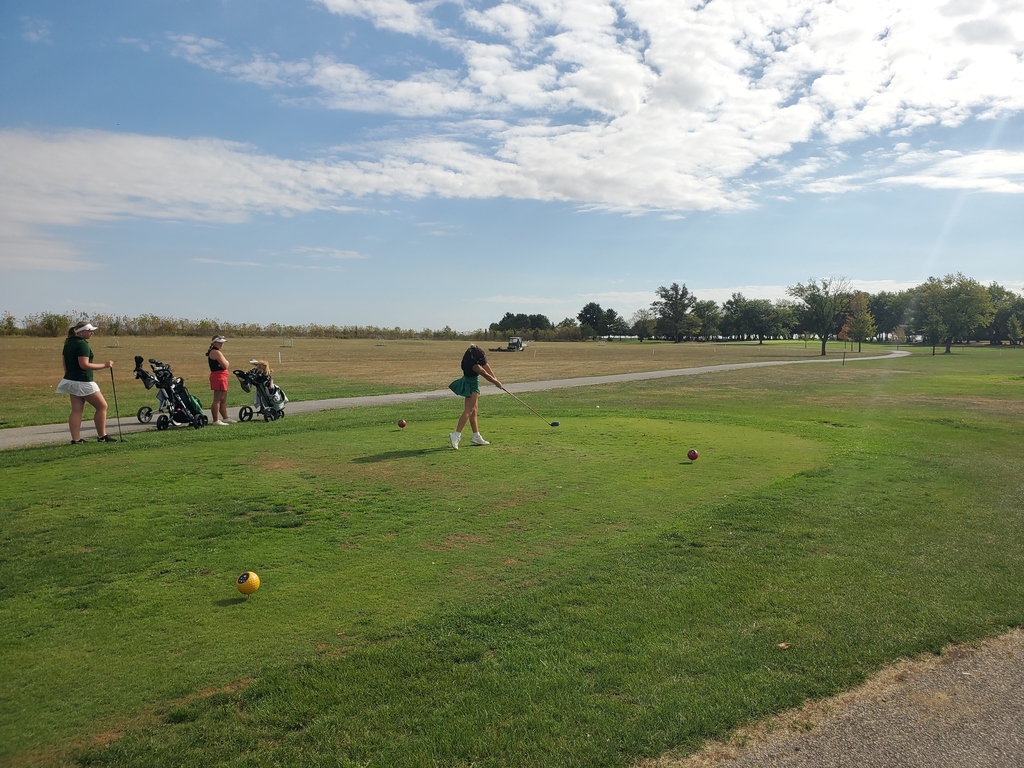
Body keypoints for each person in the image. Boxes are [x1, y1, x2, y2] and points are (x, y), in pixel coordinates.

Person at [56, 321, 116, 444]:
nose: (92, 333)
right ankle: (102, 436)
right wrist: (105, 365)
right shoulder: (82, 344)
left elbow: (64, 363)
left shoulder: (68, 343)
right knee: (102, 406)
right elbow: (84, 365)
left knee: (76, 409)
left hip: (70, 380)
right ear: (81, 331)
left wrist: (70, 374)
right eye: (89, 330)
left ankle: (76, 439)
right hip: (83, 381)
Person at [448, 344, 502, 449]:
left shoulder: (473, 355)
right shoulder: (474, 366)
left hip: (471, 382)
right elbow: (485, 374)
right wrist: (496, 383)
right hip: (471, 384)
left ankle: (476, 436)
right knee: (468, 411)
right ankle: (456, 435)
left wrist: (496, 379)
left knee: (474, 411)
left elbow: (486, 366)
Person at [207, 335, 231, 425]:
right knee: (217, 399)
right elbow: (225, 365)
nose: (222, 344)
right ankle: (216, 420)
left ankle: (225, 418)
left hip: (222, 376)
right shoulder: (215, 352)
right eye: (220, 343)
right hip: (218, 376)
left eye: (222, 343)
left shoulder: (217, 352)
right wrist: (227, 362)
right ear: (214, 343)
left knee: (223, 399)